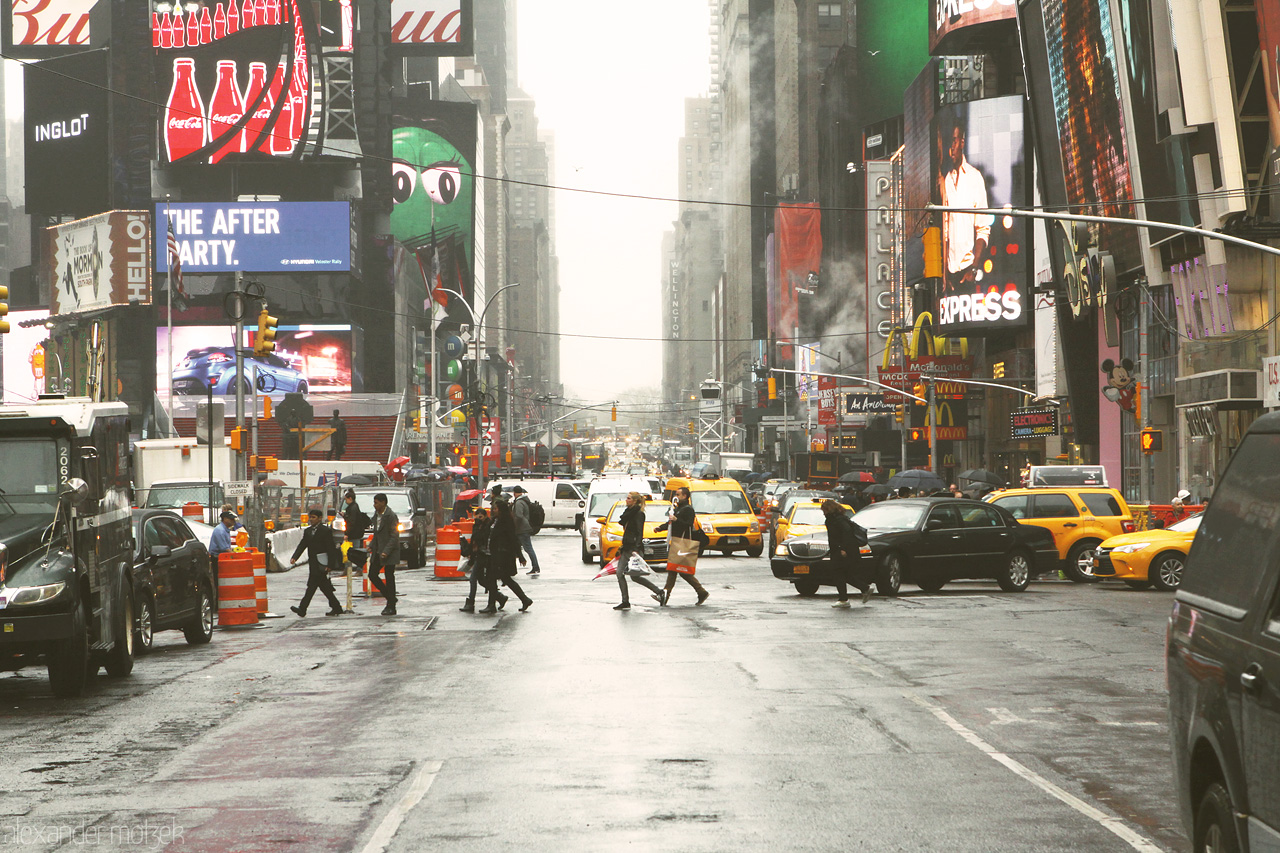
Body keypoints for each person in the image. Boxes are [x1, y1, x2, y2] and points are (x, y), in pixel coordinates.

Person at [939, 117, 991, 297]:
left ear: (962, 142)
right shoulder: (944, 180)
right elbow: (944, 231)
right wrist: (944, 274)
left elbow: (983, 228)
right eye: (948, 143)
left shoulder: (974, 177)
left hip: (969, 271)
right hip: (948, 275)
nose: (950, 148)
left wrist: (974, 269)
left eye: (954, 142)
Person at [655, 486, 710, 605]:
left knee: (677, 570)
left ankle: (666, 595)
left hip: (683, 542)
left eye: (678, 494)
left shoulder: (688, 509)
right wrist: (661, 528)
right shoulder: (678, 508)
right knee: (675, 569)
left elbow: (688, 524)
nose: (676, 496)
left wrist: (675, 519)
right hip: (677, 541)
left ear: (684, 496)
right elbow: (671, 523)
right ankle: (699, 592)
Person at [612, 492, 667, 610]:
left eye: (629, 498)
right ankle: (625, 601)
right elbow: (625, 525)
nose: (626, 500)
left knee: (634, 576)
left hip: (633, 548)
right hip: (626, 547)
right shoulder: (628, 513)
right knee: (620, 573)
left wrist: (636, 549)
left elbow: (639, 532)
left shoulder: (639, 514)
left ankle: (659, 591)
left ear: (635, 501)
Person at [289, 508, 344, 617]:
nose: (311, 520)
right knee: (324, 587)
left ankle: (302, 609)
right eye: (310, 517)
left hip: (322, 563)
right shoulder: (308, 531)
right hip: (314, 563)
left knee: (312, 586)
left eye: (314, 517)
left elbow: (330, 548)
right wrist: (295, 557)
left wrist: (330, 565)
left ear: (319, 518)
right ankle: (337, 607)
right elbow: (302, 545)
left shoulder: (325, 531)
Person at [480, 498, 532, 613]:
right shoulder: (494, 520)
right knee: (501, 579)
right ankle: (524, 599)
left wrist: (520, 556)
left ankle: (492, 605)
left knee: (495, 579)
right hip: (492, 554)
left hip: (501, 556)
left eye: (496, 508)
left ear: (501, 510)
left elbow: (513, 539)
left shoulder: (506, 522)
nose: (494, 510)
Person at [822, 499, 871, 607]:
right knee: (845, 574)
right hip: (843, 550)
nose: (823, 513)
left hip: (841, 551)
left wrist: (842, 548)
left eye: (824, 510)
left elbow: (845, 534)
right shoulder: (839, 518)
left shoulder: (836, 520)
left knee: (838, 573)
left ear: (828, 509)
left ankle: (844, 599)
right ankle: (864, 588)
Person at [460, 506, 499, 613]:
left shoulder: (487, 525)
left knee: (473, 579)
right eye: (477, 516)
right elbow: (474, 540)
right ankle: (499, 597)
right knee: (481, 580)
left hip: (485, 556)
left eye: (481, 516)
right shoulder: (476, 525)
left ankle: (470, 603)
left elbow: (481, 538)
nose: (479, 518)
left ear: (485, 516)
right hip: (479, 555)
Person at [369, 493, 401, 616]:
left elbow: (394, 536)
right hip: (378, 550)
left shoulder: (391, 516)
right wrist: (371, 546)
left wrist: (386, 551)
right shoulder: (376, 516)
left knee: (389, 576)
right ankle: (390, 597)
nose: (374, 505)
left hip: (389, 552)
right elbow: (377, 533)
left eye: (376, 502)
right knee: (372, 574)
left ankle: (391, 606)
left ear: (383, 503)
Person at [511, 485, 542, 575]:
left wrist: (515, 523)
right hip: (524, 528)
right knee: (527, 548)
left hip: (522, 528)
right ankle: (535, 567)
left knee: (528, 548)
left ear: (514, 493)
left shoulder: (519, 502)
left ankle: (535, 567)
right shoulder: (524, 500)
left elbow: (519, 516)